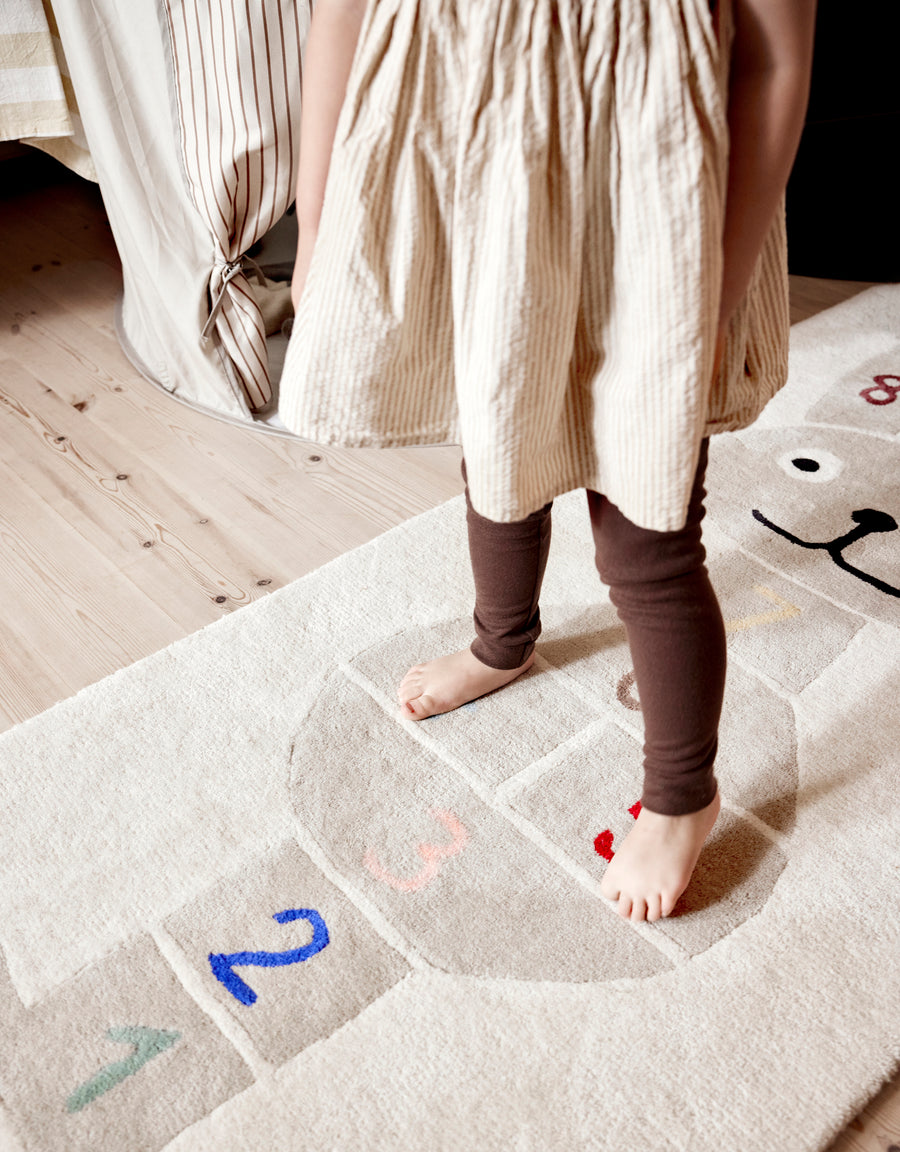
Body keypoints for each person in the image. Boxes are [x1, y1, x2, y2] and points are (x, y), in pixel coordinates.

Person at [282, 0, 817, 924]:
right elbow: (341, 14)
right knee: (496, 449)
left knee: (647, 532)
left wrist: (716, 298)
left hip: (653, 230)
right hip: (483, 194)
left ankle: (684, 792)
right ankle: (503, 641)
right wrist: (318, 216)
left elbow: (775, 62)